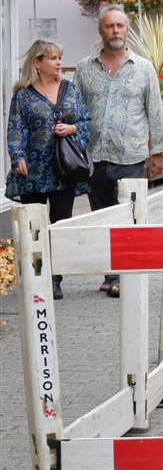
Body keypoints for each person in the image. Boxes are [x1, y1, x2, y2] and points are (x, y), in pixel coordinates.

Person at [76, 6, 163, 297]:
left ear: (127, 30)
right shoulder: (84, 68)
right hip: (94, 156)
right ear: (101, 31)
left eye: (120, 26)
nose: (115, 31)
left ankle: (125, 275)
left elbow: (155, 110)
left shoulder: (143, 67)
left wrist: (157, 152)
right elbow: (76, 110)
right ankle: (110, 274)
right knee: (101, 216)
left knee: (128, 217)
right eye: (109, 26)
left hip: (131, 155)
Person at [6, 39, 90, 299]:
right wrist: (17, 156)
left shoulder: (71, 89)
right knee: (35, 226)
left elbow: (86, 122)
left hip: (64, 168)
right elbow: (15, 128)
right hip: (33, 171)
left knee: (60, 222)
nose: (58, 63)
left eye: (59, 58)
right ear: (37, 63)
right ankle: (36, 274)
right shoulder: (23, 95)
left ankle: (54, 278)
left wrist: (73, 128)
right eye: (53, 58)